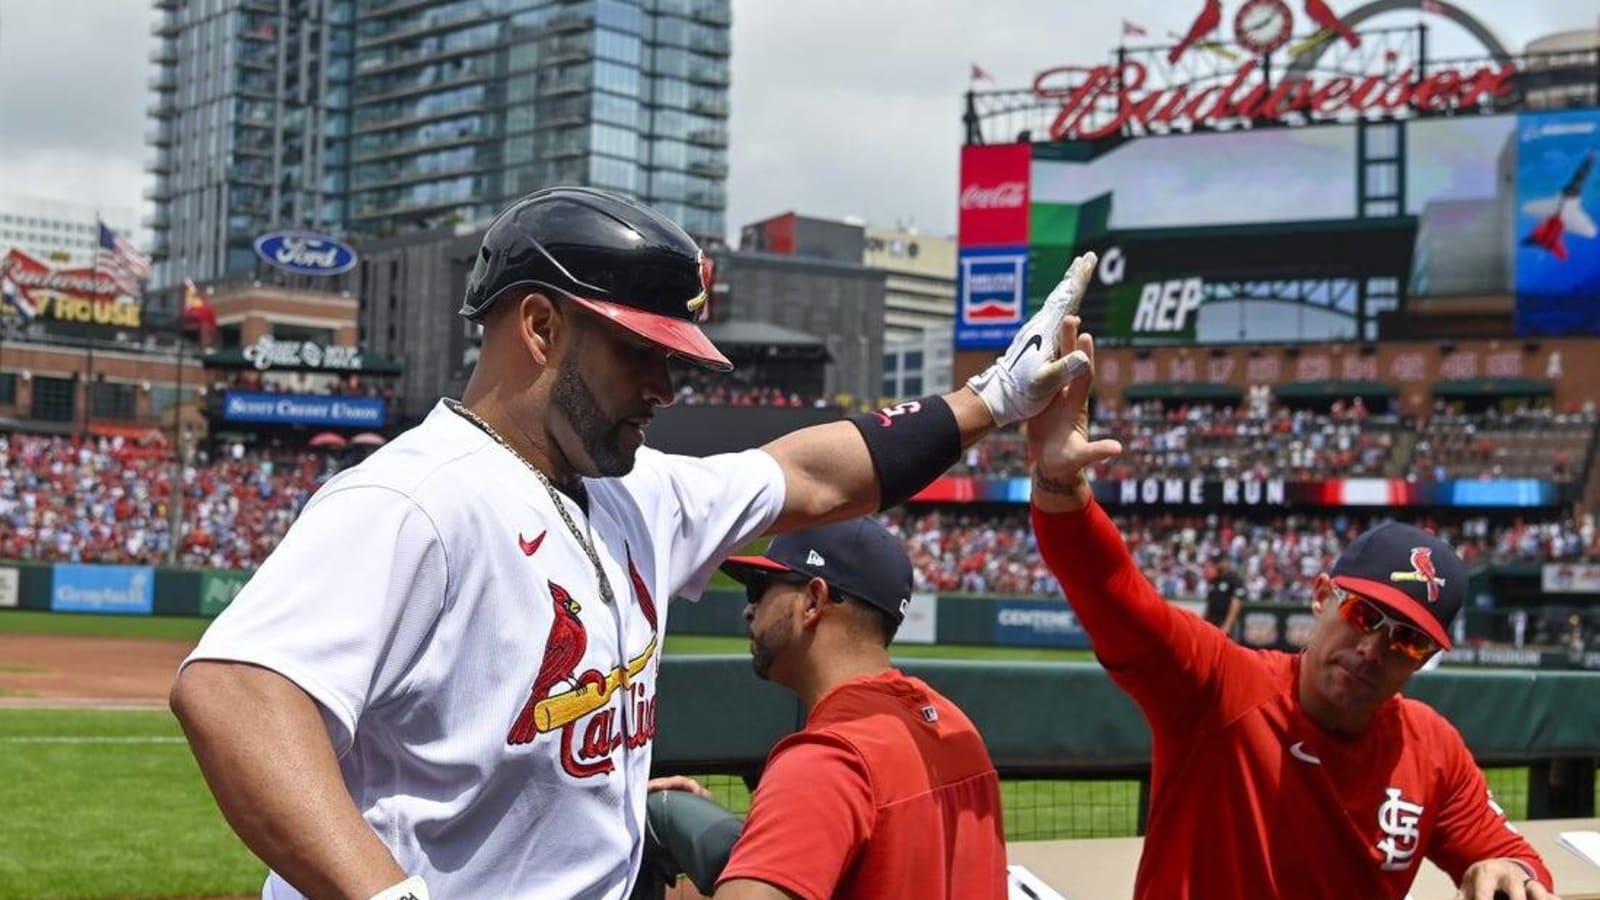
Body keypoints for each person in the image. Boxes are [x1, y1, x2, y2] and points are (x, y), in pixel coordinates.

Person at [169, 186, 1096, 900]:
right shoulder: (416, 499)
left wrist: (991, 402)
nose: (665, 383)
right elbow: (235, 694)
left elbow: (816, 475)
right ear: (539, 327)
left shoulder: (634, 492)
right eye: (639, 352)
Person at [1022, 312, 1562, 900]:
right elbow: (1113, 593)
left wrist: (1515, 871)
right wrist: (1057, 484)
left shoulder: (1431, 749)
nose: (1373, 648)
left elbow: (1509, 855)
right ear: (1323, 595)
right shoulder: (1218, 690)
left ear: (1423, 657)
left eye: (1406, 640)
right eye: (1365, 615)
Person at [710, 518, 1008, 900]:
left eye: (760, 589)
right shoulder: (954, 725)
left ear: (814, 601)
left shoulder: (826, 760)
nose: (748, 611)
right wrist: (766, 839)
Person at [1203, 552, 1245, 637]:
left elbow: (1236, 603)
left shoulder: (1234, 579)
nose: (1217, 564)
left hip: (1224, 622)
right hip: (1212, 623)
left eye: (1219, 561)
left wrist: (1228, 625)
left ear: (1226, 562)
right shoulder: (1215, 580)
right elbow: (1210, 603)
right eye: (1216, 562)